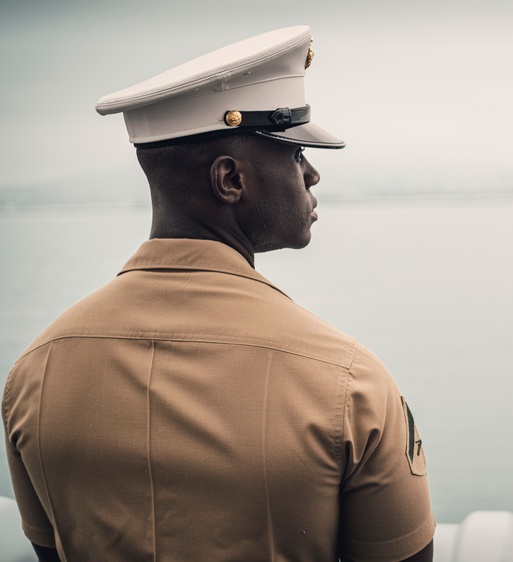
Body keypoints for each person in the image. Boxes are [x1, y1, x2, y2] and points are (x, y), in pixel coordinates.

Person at [2, 26, 434, 562]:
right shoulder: (348, 383)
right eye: (295, 153)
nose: (313, 174)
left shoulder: (36, 372)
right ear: (230, 179)